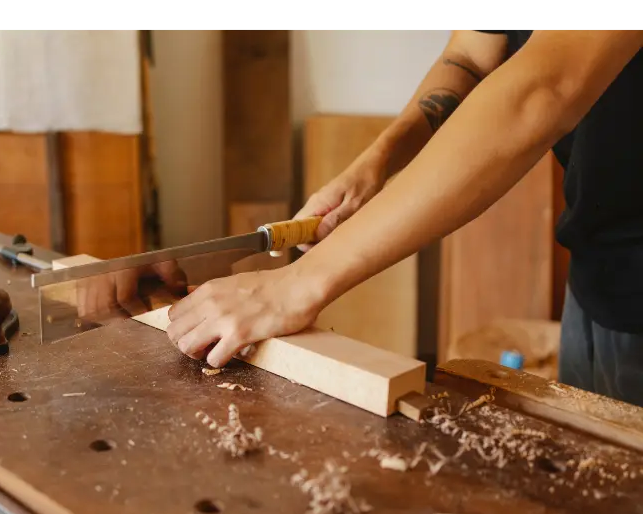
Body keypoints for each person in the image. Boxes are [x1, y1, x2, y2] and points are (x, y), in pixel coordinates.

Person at [165, 24, 643, 406]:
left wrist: (297, 284)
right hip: (596, 273)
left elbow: (545, 87)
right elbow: (475, 55)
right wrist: (376, 164)